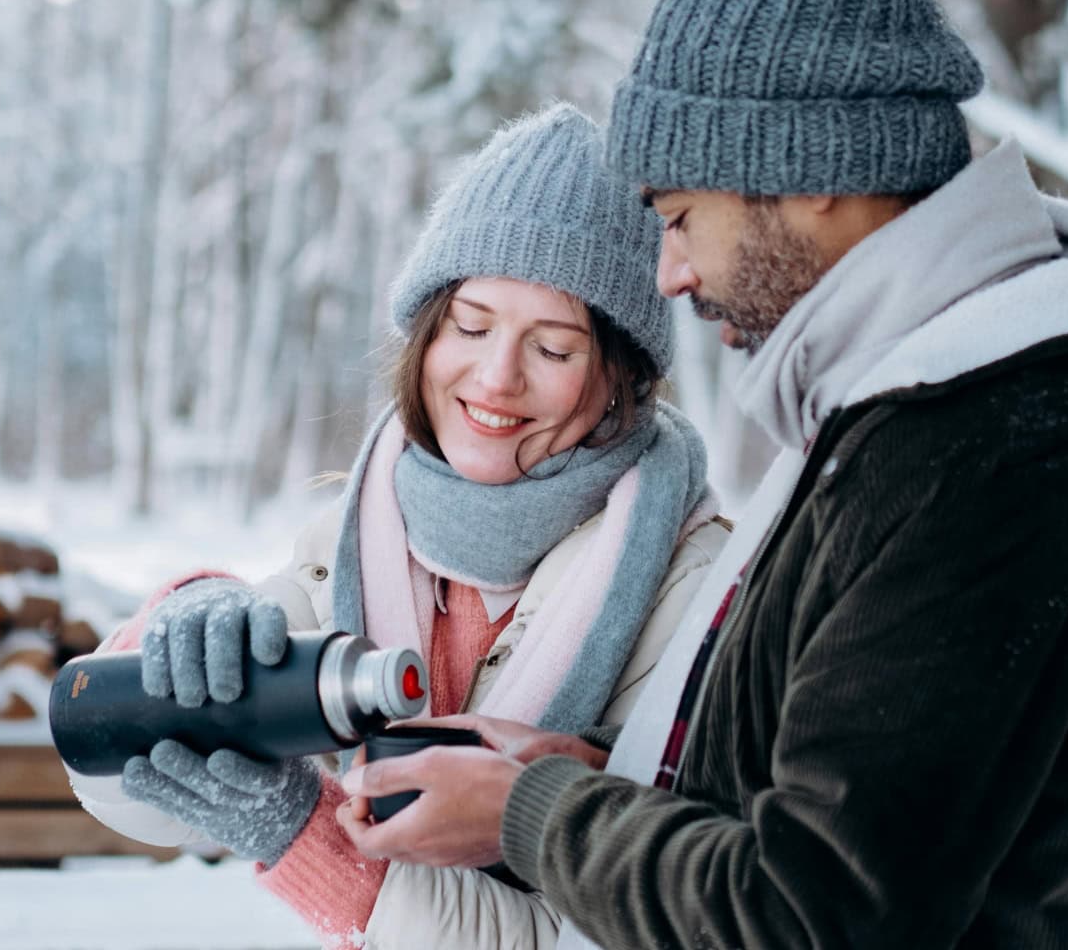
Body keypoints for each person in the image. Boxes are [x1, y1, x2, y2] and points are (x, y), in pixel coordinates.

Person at [333, 0, 1068, 950]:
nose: (670, 273)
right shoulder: (928, 402)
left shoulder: (992, 445)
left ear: (812, 180)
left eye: (682, 217)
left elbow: (812, 911)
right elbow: (854, 800)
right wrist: (593, 775)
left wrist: (533, 817)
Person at [66, 104, 730, 948]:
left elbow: (591, 931)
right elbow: (117, 780)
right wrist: (179, 631)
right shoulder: (361, 533)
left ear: (619, 381)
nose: (496, 379)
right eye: (473, 324)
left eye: (553, 349)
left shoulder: (692, 594)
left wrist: (311, 839)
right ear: (426, 329)